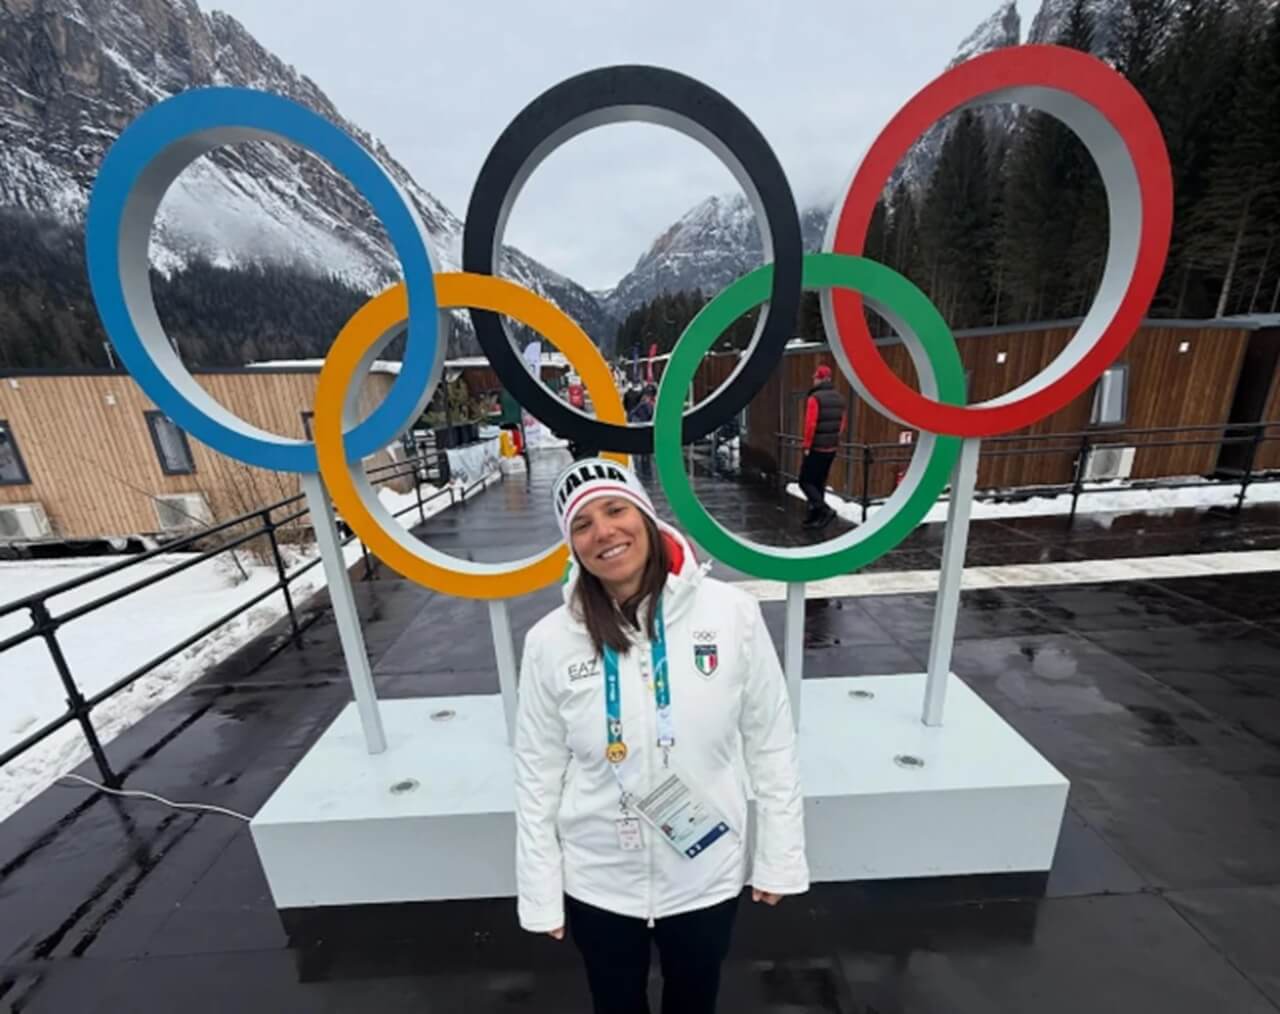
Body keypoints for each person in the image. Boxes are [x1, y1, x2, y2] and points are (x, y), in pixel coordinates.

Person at [514, 458, 809, 1014]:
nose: (604, 531)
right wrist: (540, 889)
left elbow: (771, 742)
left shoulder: (732, 615)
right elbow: (537, 773)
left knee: (694, 1003)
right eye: (582, 524)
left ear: (646, 517)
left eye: (615, 509)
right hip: (599, 879)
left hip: (704, 872)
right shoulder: (550, 641)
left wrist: (780, 856)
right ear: (572, 545)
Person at [798, 364, 846, 529]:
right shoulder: (840, 398)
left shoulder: (815, 398)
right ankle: (815, 516)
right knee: (818, 482)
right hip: (831, 448)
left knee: (804, 481)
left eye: (815, 377)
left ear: (820, 378)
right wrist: (834, 441)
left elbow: (810, 424)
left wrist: (806, 446)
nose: (814, 379)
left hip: (816, 448)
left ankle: (825, 511)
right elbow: (841, 424)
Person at [627, 383, 658, 479]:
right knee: (642, 451)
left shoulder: (645, 403)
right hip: (640, 424)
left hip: (640, 424)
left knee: (642, 452)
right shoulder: (646, 404)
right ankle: (643, 470)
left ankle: (642, 468)